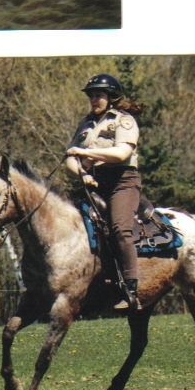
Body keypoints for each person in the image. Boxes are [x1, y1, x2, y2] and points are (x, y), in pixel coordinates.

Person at [64, 72, 146, 311]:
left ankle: (130, 289)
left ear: (111, 97)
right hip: (94, 183)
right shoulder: (86, 123)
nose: (94, 100)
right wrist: (82, 174)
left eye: (99, 95)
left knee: (120, 229)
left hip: (123, 181)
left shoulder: (124, 120)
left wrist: (85, 154)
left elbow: (121, 154)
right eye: (92, 96)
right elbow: (70, 156)